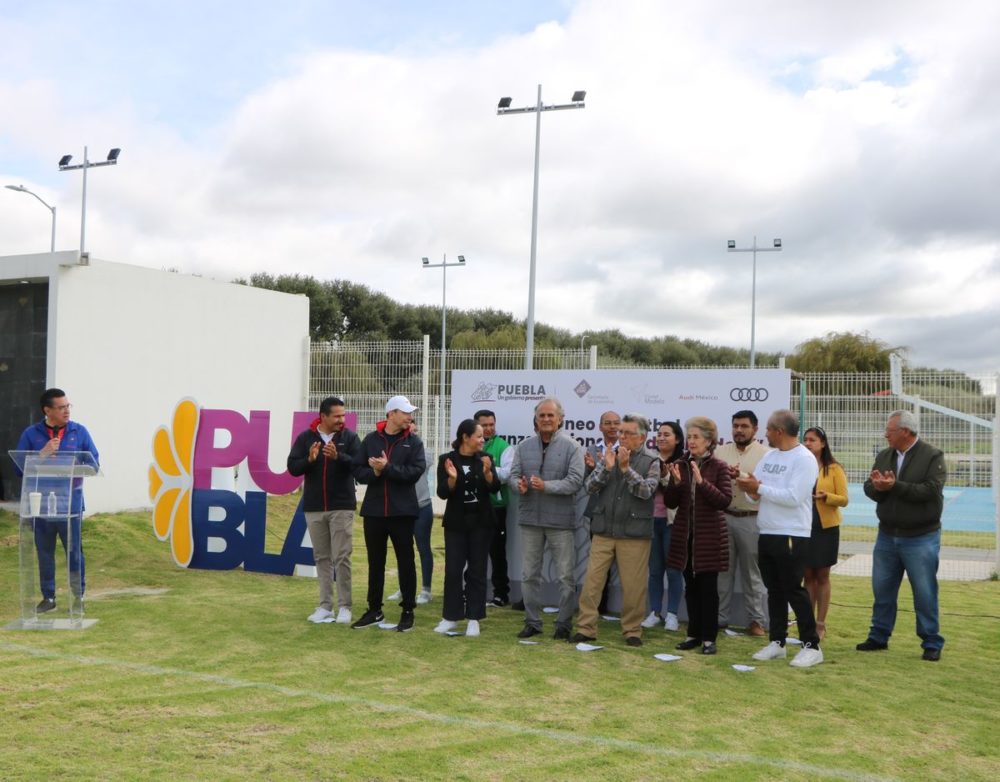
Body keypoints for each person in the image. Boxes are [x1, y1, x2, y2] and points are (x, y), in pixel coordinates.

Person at [737, 410, 823, 668]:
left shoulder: (804, 459)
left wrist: (758, 488)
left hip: (791, 533)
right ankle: (778, 642)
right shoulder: (770, 456)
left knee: (792, 590)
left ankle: (812, 645)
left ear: (779, 432)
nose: (765, 433)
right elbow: (757, 494)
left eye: (768, 429)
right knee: (773, 589)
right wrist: (750, 488)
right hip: (767, 531)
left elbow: (794, 497)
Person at [858, 410, 946, 661]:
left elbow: (930, 491)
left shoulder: (932, 456)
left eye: (890, 430)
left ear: (905, 432)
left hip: (921, 537)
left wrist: (894, 486)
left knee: (924, 591)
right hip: (887, 534)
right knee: (882, 589)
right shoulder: (885, 455)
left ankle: (931, 641)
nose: (886, 434)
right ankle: (878, 636)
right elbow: (869, 486)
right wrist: (877, 487)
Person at [574, 414, 660, 647]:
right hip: (603, 530)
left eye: (628, 433)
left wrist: (625, 469)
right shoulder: (608, 454)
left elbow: (646, 491)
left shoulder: (652, 460)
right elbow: (589, 486)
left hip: (635, 533)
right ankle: (586, 628)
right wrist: (606, 468)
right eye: (621, 432)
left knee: (633, 587)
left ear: (642, 437)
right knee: (591, 583)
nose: (622, 437)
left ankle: (632, 630)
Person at [16, 388, 100, 614]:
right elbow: (17, 467)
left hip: (70, 505)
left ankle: (77, 597)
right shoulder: (31, 434)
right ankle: (48, 597)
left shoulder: (78, 432)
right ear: (47, 410)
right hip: (40, 504)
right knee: (44, 552)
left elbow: (94, 464)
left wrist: (73, 467)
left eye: (68, 406)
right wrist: (41, 454)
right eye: (61, 407)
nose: (66, 411)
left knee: (74, 552)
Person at [509, 397, 585, 640]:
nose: (546, 419)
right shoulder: (524, 446)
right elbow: (512, 476)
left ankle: (563, 624)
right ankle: (532, 622)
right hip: (530, 520)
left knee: (566, 576)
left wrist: (546, 486)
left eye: (551, 415)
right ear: (536, 419)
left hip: (561, 522)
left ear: (560, 419)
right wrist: (517, 485)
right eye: (542, 415)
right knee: (529, 574)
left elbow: (574, 482)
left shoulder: (573, 447)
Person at [350, 395, 426, 632]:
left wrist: (387, 468)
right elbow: (358, 471)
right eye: (405, 412)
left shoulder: (413, 443)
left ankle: (408, 610)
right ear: (391, 414)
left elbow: (415, 472)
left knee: (406, 562)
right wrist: (375, 472)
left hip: (402, 512)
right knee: (375, 563)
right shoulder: (371, 440)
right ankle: (374, 610)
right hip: (374, 512)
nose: (409, 417)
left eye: (410, 413)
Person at [287, 396, 361, 625]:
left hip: (342, 506)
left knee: (342, 557)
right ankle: (325, 606)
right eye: (337, 416)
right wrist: (309, 460)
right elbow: (292, 467)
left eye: (343, 415)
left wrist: (339, 457)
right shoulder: (305, 438)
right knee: (322, 557)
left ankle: (345, 607)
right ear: (324, 416)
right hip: (314, 507)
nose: (342, 419)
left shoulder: (349, 437)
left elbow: (359, 466)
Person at [664, 416, 732, 655]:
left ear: (709, 441)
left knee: (708, 590)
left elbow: (723, 501)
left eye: (696, 437)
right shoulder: (681, 464)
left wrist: (702, 483)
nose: (691, 442)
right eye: (689, 437)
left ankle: (709, 639)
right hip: (685, 536)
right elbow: (671, 502)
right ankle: (692, 634)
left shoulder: (719, 467)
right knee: (690, 588)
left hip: (710, 537)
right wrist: (674, 483)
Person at [434, 419, 501, 637]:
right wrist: (453, 479)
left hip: (481, 523)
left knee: (477, 570)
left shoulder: (485, 459)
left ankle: (474, 618)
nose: (483, 439)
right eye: (479, 436)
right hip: (456, 523)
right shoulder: (447, 460)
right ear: (465, 437)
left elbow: (495, 487)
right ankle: (450, 617)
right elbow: (443, 492)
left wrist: (489, 473)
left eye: (483, 436)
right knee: (453, 570)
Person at [714, 410, 769, 637]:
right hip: (723, 517)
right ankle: (719, 618)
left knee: (751, 573)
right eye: (736, 426)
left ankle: (756, 621)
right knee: (722, 572)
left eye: (744, 426)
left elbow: (765, 486)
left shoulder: (766, 455)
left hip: (751, 519)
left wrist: (741, 475)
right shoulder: (719, 451)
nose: (739, 430)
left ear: (755, 429)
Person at [802, 426, 848, 640]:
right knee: (807, 575)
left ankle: (820, 624)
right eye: (806, 439)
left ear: (823, 443)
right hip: (803, 525)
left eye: (812, 440)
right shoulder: (801, 465)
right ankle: (807, 622)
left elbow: (844, 499)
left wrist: (826, 496)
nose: (808, 443)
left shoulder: (834, 468)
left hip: (826, 528)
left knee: (822, 575)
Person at [641, 421, 685, 632]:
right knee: (655, 571)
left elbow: (680, 493)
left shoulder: (684, 462)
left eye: (667, 434)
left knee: (674, 571)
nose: (661, 438)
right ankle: (655, 612)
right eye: (659, 434)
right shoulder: (649, 460)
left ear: (677, 439)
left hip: (672, 523)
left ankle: (673, 614)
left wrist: (667, 477)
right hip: (651, 520)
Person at [388, 420, 434, 606]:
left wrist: (412, 438)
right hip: (401, 508)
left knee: (423, 548)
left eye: (413, 430)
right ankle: (404, 587)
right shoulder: (395, 449)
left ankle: (426, 590)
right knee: (402, 550)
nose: (410, 432)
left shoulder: (423, 450)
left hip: (422, 506)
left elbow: (422, 464)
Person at [581, 410, 621, 615]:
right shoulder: (591, 448)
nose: (613, 427)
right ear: (600, 427)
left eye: (616, 423)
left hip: (621, 512)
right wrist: (591, 468)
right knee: (598, 563)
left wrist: (601, 466)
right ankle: (598, 605)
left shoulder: (626, 449)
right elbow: (587, 483)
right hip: (598, 511)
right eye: (608, 423)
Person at [475, 409, 514, 607]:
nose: (489, 428)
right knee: (472, 551)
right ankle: (470, 591)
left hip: (496, 508)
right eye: (485, 425)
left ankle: (501, 594)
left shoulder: (503, 446)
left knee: (497, 553)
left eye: (492, 424)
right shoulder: (470, 445)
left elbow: (508, 473)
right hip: (473, 507)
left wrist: (487, 469)